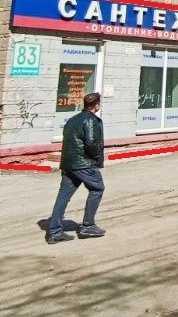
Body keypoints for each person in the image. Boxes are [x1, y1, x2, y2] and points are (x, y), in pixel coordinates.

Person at [45, 92, 106, 243]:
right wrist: (97, 158)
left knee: (63, 195)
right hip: (84, 163)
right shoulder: (91, 120)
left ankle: (54, 231)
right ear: (96, 105)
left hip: (68, 164)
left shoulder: (72, 120)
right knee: (97, 188)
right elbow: (91, 143)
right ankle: (88, 226)